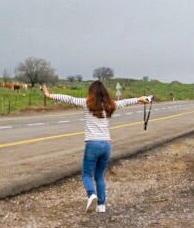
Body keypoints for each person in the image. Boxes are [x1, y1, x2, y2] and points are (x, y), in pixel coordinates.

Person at [42, 81, 151, 213]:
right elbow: (125, 102)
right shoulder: (110, 105)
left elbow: (68, 98)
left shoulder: (86, 103)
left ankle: (91, 194)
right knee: (99, 175)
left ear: (91, 92)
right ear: (104, 92)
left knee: (86, 174)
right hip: (106, 145)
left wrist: (49, 95)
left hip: (92, 144)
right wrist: (139, 99)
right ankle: (101, 205)